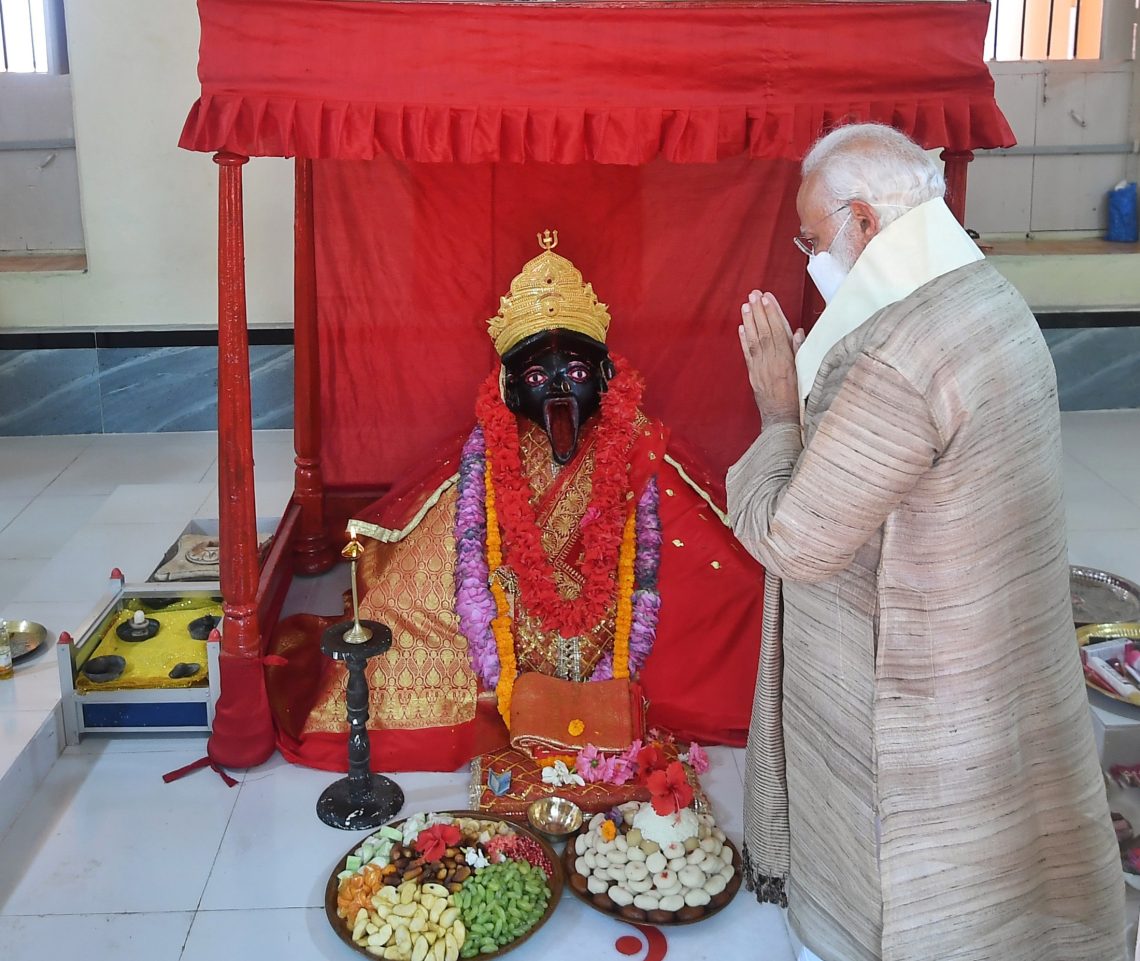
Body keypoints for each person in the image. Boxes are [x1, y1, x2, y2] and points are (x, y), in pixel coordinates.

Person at [726, 123, 1125, 961]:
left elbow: (797, 540)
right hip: (991, 660)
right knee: (1000, 861)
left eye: (812, 237)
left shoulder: (900, 354)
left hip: (916, 697)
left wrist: (776, 414)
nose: (809, 259)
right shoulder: (987, 297)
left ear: (865, 222)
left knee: (914, 885)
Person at [266, 231, 766, 775]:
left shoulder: (639, 443)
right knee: (409, 600)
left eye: (576, 375)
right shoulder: (484, 460)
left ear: (605, 378)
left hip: (622, 613)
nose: (558, 392)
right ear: (507, 388)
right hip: (502, 601)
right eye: (536, 377)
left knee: (733, 588)